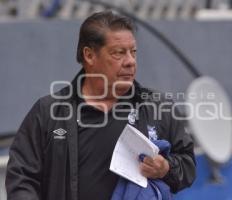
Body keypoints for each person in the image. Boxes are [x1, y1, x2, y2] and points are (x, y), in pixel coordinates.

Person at [5, 11, 196, 200]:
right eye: (119, 53)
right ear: (89, 56)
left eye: (133, 52)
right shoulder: (48, 112)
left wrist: (166, 168)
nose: (130, 62)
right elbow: (21, 177)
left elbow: (188, 166)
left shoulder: (158, 106)